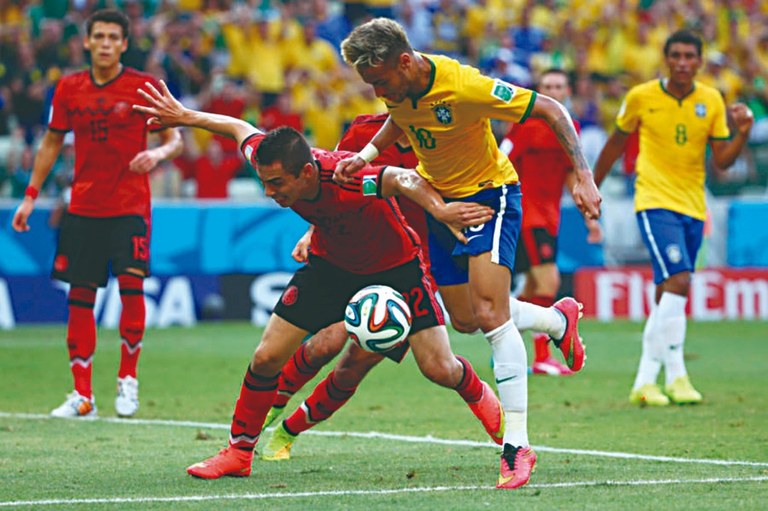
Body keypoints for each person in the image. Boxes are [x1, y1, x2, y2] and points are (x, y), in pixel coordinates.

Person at [133, 80, 505, 481]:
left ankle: (491, 408)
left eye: (277, 184)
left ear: (307, 172)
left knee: (439, 368)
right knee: (266, 357)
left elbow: (401, 179)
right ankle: (239, 453)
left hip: (396, 267)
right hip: (331, 265)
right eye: (264, 181)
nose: (269, 191)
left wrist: (441, 210)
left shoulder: (344, 178)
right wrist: (185, 116)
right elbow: (239, 128)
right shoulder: (273, 157)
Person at [334, 18, 602, 489]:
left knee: (491, 316)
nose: (378, 93)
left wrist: (583, 174)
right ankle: (556, 321)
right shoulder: (398, 88)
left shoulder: (464, 86)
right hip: (443, 204)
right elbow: (402, 117)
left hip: (490, 198)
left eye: (380, 81)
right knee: (464, 319)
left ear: (404, 61)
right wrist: (368, 155)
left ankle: (516, 446)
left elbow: (551, 108)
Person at [11, 9, 182, 419]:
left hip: (130, 206)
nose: (105, 43)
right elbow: (51, 143)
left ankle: (128, 380)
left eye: (113, 37)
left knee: (131, 288)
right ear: (86, 42)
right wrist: (30, 196)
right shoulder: (69, 88)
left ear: (124, 44)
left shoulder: (142, 86)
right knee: (80, 298)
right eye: (99, 36)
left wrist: (156, 154)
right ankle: (82, 394)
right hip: (83, 207)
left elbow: (174, 137)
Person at [257, 112, 438, 460]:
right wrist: (311, 231)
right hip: (350, 256)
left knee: (356, 362)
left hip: (410, 263)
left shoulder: (446, 132)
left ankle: (288, 431)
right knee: (325, 342)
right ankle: (272, 404)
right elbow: (328, 186)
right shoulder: (363, 132)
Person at [593, 29, 753, 407]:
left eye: (689, 56)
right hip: (653, 200)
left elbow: (722, 161)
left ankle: (646, 382)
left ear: (699, 61)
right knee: (680, 281)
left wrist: (743, 133)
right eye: (676, 55)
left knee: (668, 290)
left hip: (693, 205)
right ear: (666, 59)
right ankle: (675, 375)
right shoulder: (641, 97)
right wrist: (591, 187)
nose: (682, 62)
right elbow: (615, 144)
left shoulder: (711, 100)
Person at [501, 68, 603, 376]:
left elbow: (572, 173)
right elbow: (501, 160)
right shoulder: (525, 124)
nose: (553, 91)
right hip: (525, 216)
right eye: (547, 86)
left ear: (568, 91)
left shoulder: (570, 127)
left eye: (559, 86)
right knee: (549, 283)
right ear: (539, 91)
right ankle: (542, 357)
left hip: (549, 217)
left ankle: (503, 344)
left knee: (533, 288)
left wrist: (589, 218)